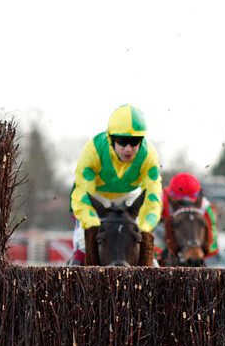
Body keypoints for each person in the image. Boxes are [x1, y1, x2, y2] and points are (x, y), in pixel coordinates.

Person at [68, 104, 163, 265]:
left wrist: (144, 228)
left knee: (147, 255)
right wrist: (92, 226)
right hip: (96, 197)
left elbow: (152, 198)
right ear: (111, 138)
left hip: (130, 197)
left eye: (134, 142)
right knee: (84, 247)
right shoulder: (94, 150)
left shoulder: (149, 156)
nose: (128, 148)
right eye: (122, 141)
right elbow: (83, 194)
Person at [155, 172, 219, 264]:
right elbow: (144, 228)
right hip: (162, 232)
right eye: (181, 200)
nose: (186, 202)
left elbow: (212, 242)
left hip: (192, 237)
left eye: (190, 200)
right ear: (171, 195)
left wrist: (198, 254)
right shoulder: (158, 200)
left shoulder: (207, 209)